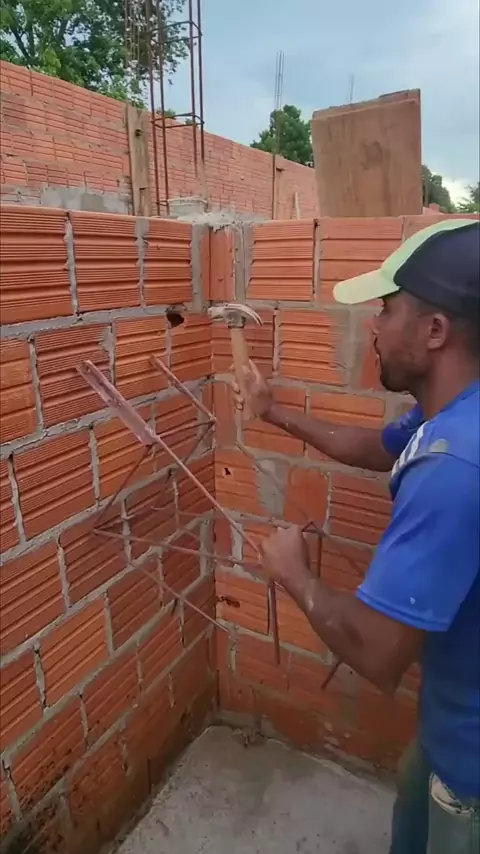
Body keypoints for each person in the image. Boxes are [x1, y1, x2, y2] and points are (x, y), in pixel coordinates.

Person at [234, 219, 480, 854]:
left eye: (387, 309)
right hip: (450, 724)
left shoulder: (456, 467)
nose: (374, 326)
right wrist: (272, 411)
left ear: (435, 330)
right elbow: (375, 446)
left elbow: (377, 654)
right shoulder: (453, 413)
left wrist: (294, 574)